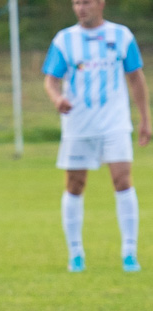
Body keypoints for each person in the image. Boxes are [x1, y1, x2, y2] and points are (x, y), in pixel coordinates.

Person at [42, 0, 150, 273]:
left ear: (101, 3)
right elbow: (51, 80)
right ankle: (75, 254)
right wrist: (57, 99)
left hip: (115, 124)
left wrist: (145, 119)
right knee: (75, 185)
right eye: (76, 2)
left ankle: (129, 253)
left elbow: (136, 78)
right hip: (78, 126)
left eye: (86, 2)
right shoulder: (64, 39)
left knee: (123, 180)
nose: (80, 8)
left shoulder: (121, 35)